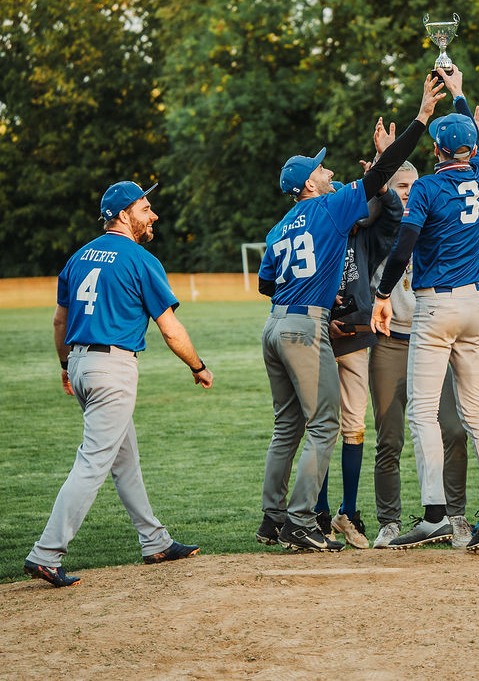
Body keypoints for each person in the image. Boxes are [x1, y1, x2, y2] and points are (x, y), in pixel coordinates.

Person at [256, 74, 445, 553]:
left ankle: (273, 517)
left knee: (286, 426)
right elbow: (380, 179)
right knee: (323, 426)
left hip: (275, 323)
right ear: (308, 184)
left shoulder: (280, 224)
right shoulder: (328, 209)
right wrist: (421, 119)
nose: (325, 171)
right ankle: (301, 520)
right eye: (318, 170)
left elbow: (264, 283)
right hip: (305, 326)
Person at [25, 181, 214, 588]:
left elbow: (60, 321)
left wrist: (65, 366)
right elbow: (170, 328)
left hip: (80, 362)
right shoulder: (139, 258)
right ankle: (46, 552)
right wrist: (198, 365)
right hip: (112, 369)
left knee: (124, 459)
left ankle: (154, 541)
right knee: (93, 461)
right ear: (123, 215)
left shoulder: (78, 258)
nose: (154, 215)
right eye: (146, 208)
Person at [371, 64, 479, 552]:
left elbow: (405, 244)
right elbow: (467, 137)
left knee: (423, 414)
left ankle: (434, 513)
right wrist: (458, 93)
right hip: (476, 305)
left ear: (435, 151)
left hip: (435, 308)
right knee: (475, 412)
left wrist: (384, 293)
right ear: (471, 148)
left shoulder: (429, 187)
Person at [366, 162, 472, 549]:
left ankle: (453, 515)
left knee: (454, 430)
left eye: (414, 184)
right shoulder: (380, 228)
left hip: (433, 339)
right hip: (390, 341)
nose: (409, 190)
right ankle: (389, 521)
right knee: (389, 437)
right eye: (400, 185)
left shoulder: (436, 219)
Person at [314, 138, 406, 550]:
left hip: (354, 338)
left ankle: (346, 514)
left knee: (353, 425)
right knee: (321, 428)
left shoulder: (365, 237)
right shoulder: (318, 234)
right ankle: (316, 512)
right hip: (317, 336)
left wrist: (382, 187)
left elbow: (394, 217)